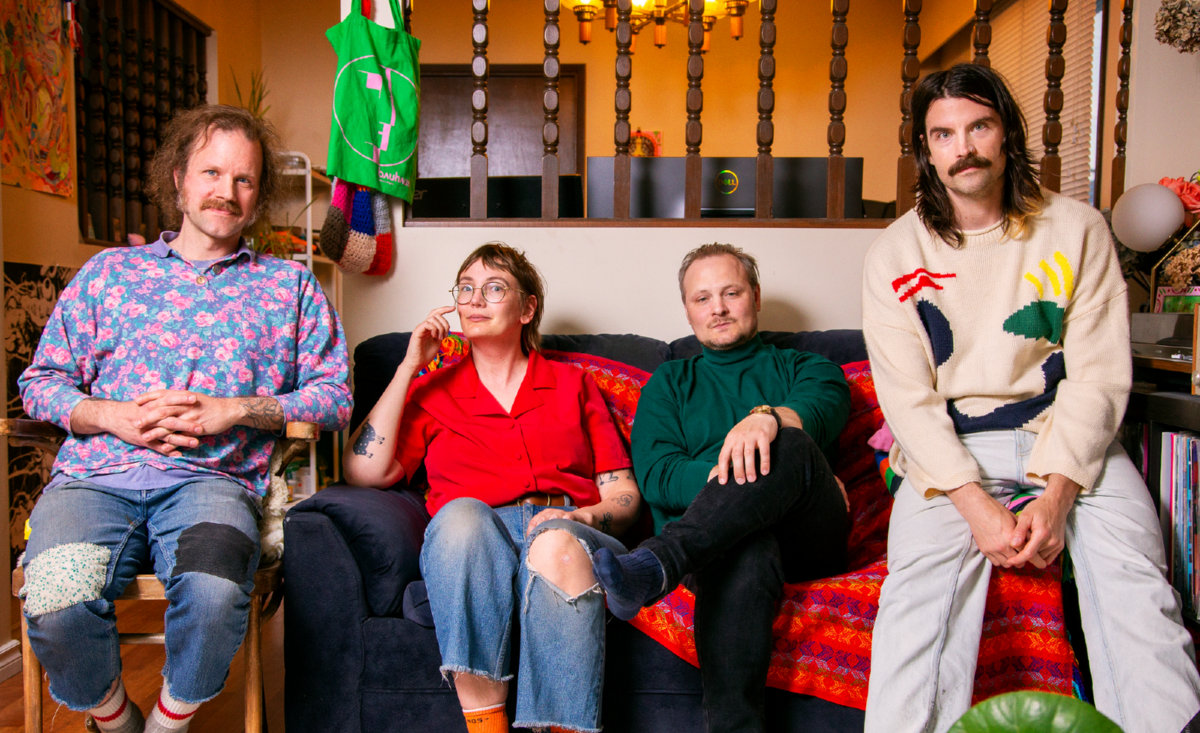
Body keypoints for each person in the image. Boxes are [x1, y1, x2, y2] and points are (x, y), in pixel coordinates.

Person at [861, 63, 1200, 733]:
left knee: (1138, 588)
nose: (964, 148)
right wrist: (975, 506)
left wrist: (1059, 493)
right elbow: (907, 400)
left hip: (1067, 438)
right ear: (926, 148)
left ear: (1007, 132)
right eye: (944, 134)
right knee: (915, 607)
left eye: (979, 126)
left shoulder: (1077, 229)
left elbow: (1099, 374)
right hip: (954, 448)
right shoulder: (894, 252)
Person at [17, 104, 351, 733]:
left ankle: (168, 725)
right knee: (58, 597)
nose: (227, 191)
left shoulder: (290, 287)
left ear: (258, 195)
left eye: (244, 179)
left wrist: (235, 410)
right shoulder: (108, 274)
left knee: (216, 593)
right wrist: (110, 415)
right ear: (178, 178)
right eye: (211, 172)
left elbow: (333, 398)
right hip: (94, 479)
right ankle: (116, 721)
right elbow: (39, 383)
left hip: (213, 483)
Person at [342, 242, 642, 733]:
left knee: (556, 546)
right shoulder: (432, 390)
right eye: (465, 288)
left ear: (527, 308)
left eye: (494, 287)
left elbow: (624, 494)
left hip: (565, 526)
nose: (475, 299)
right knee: (462, 517)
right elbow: (362, 471)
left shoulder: (573, 384)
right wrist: (409, 367)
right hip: (475, 537)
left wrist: (584, 516)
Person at [593, 242, 852, 732]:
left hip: (806, 538)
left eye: (731, 293)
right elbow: (659, 475)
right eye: (702, 298)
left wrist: (766, 421)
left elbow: (820, 413)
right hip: (716, 547)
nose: (718, 308)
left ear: (756, 296)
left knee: (790, 441)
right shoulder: (669, 383)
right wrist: (746, 480)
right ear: (687, 310)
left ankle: (657, 564)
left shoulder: (809, 368)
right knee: (745, 546)